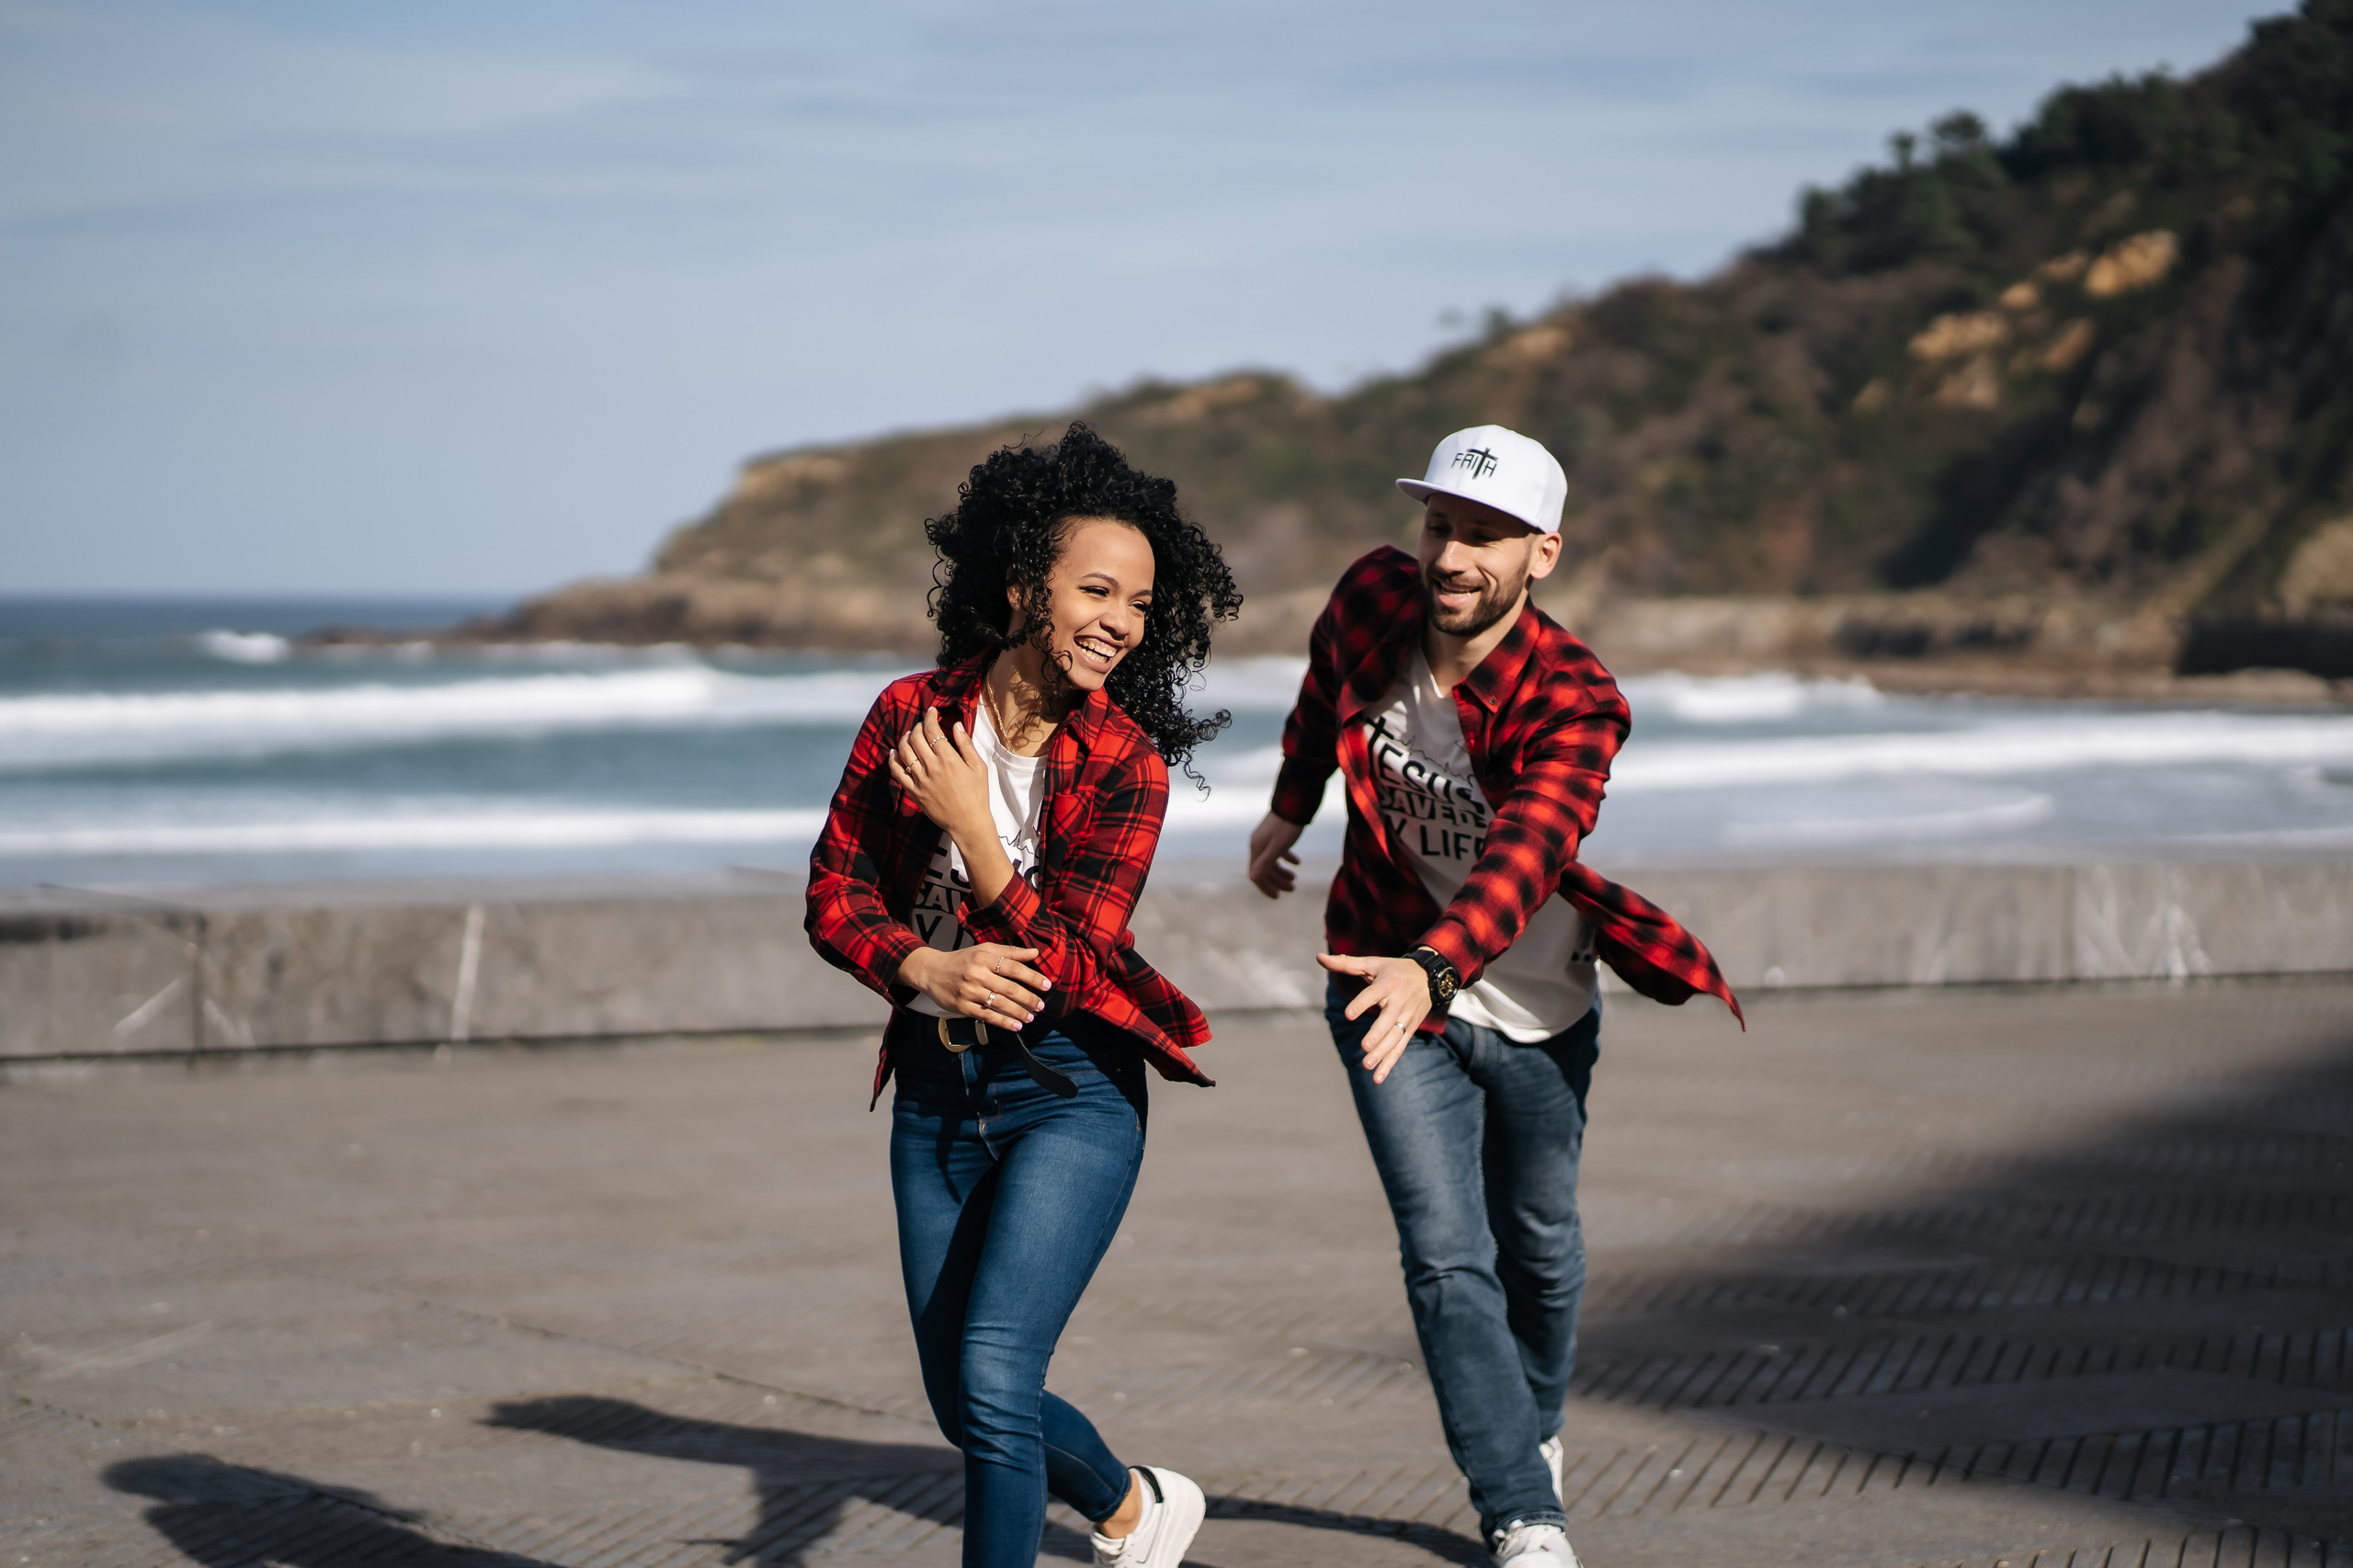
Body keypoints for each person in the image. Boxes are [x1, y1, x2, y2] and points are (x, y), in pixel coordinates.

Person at [1245, 425, 1742, 1568]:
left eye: (1485, 535)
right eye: (1440, 526)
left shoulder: (1576, 697)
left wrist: (1442, 965)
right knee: (1443, 1253)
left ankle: (1536, 1424)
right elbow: (1324, 687)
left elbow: (1527, 849)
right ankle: (1521, 1506)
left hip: (1536, 1002)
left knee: (1542, 1243)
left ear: (1542, 555)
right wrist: (1290, 803)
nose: (1452, 556)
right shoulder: (1373, 597)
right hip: (1380, 971)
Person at [807, 423, 1241, 1568]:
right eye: (1094, 588)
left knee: (999, 1375)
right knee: (963, 1397)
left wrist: (973, 833)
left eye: (1140, 603)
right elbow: (835, 889)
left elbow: (1072, 966)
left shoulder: (1126, 763)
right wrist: (919, 966)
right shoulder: (910, 715)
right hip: (938, 1093)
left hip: (1070, 1093)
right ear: (1020, 589)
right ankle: (1133, 1509)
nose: (1118, 620)